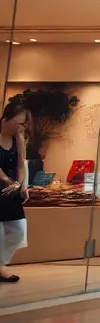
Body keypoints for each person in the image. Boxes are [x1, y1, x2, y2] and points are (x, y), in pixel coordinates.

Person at [0, 104, 30, 284]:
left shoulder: (18, 139)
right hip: (4, 185)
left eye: (24, 124)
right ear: (5, 120)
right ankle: (1, 269)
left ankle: (0, 263)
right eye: (19, 123)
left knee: (18, 229)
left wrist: (20, 185)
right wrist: (7, 180)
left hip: (11, 189)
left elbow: (21, 166)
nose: (22, 128)